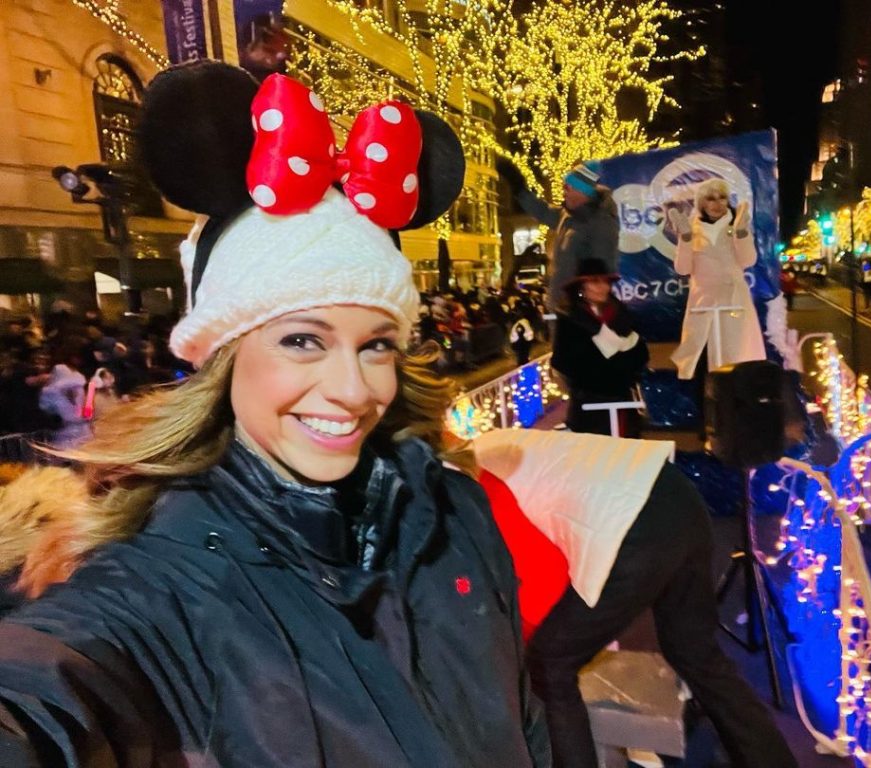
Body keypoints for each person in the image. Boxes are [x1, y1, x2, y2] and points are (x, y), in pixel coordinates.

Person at [0, 61, 549, 768]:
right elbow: (48, 678)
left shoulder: (453, 509)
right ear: (224, 359)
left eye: (376, 344)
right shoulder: (162, 575)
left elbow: (523, 712)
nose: (352, 390)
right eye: (302, 340)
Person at [472, 428, 798, 768]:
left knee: (550, 663)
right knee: (697, 655)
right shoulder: (495, 442)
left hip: (631, 527)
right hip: (678, 498)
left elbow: (540, 570)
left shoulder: (474, 476)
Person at [667, 178, 766, 428]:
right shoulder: (692, 228)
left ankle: (739, 424)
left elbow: (748, 260)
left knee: (738, 362)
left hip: (734, 305)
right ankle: (712, 425)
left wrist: (741, 231)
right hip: (703, 306)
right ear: (701, 202)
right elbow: (682, 267)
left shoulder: (735, 225)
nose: (717, 204)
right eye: (710, 198)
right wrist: (686, 239)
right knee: (705, 366)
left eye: (722, 197)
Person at [497, 158, 619, 311]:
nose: (563, 191)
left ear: (582, 192)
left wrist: (581, 304)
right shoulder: (566, 216)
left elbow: (601, 273)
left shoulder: (601, 223)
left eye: (568, 188)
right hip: (558, 307)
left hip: (579, 314)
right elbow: (541, 210)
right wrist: (519, 188)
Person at [551, 258, 648, 438]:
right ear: (581, 286)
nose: (602, 287)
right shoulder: (570, 318)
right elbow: (562, 360)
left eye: (606, 281)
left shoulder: (622, 313)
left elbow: (641, 354)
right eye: (595, 281)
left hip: (623, 403)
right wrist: (608, 367)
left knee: (626, 455)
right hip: (589, 405)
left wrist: (619, 364)